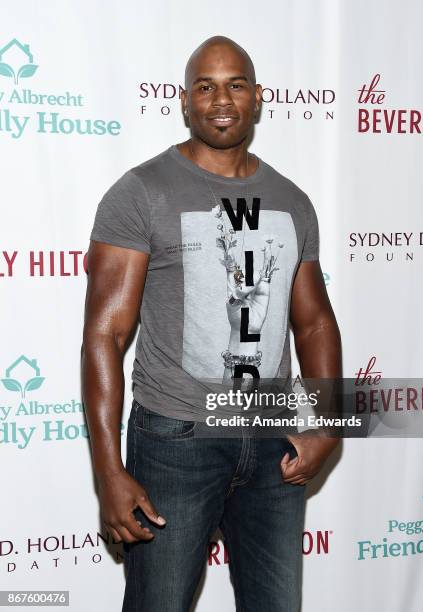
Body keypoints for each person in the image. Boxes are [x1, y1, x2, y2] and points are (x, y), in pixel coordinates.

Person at [82, 35, 341, 612]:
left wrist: (326, 425)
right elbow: (105, 333)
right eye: (206, 86)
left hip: (274, 443)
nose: (221, 99)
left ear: (257, 98)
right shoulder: (142, 192)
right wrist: (108, 470)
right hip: (176, 441)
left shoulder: (291, 200)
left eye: (235, 85)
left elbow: (316, 321)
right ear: (184, 100)